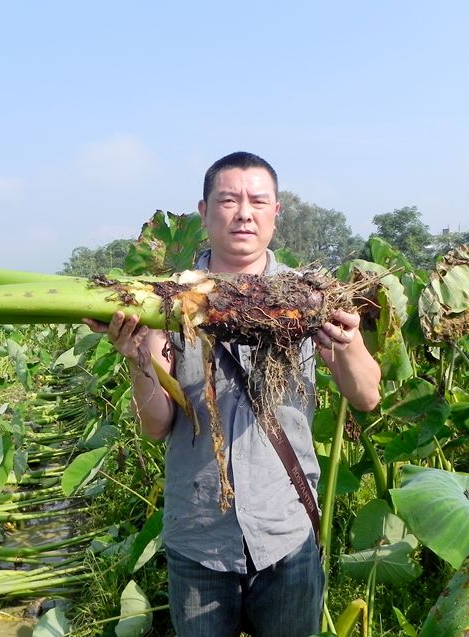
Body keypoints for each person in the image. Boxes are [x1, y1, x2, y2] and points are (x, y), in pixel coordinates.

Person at [86, 151, 381, 636]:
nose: (243, 212)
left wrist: (346, 344)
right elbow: (158, 424)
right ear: (204, 212)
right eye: (228, 199)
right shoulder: (166, 301)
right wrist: (138, 359)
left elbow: (367, 396)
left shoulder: (307, 296)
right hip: (200, 536)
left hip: (286, 530)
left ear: (275, 212)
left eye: (257, 201)